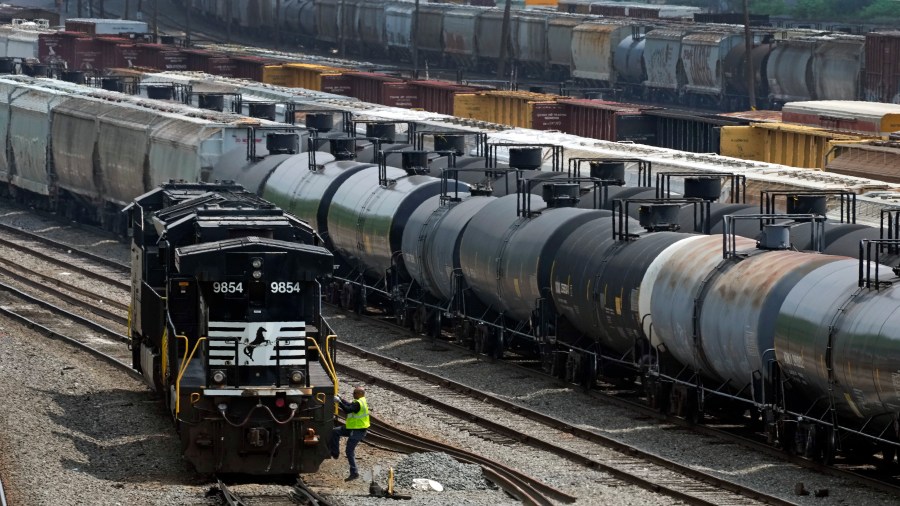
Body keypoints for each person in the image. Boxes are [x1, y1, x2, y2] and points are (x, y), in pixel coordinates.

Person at [330, 386, 369, 481]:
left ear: (360, 394)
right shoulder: (360, 401)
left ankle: (354, 472)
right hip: (352, 427)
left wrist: (339, 402)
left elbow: (348, 410)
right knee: (335, 431)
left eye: (355, 393)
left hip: (358, 430)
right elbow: (349, 405)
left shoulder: (359, 403)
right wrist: (341, 399)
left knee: (349, 451)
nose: (353, 394)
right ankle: (335, 453)